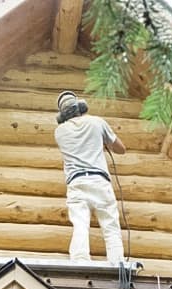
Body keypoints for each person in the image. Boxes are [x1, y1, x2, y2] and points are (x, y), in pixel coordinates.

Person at [53, 90, 126, 263]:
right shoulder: (96, 122)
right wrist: (102, 140)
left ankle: (80, 260)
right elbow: (121, 149)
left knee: (80, 224)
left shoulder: (59, 132)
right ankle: (117, 262)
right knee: (110, 226)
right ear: (79, 106)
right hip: (99, 180)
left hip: (76, 182)